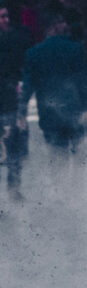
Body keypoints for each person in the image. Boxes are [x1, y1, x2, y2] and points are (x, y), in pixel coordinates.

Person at [18, 9, 87, 161]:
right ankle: (78, 185)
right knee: (79, 157)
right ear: (54, 26)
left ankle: (60, 185)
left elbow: (27, 86)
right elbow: (85, 81)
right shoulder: (75, 48)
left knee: (57, 159)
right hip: (75, 111)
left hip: (49, 115)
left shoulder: (33, 53)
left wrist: (21, 113)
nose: (65, 26)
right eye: (61, 23)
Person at [0, 4, 30, 200]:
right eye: (1, 17)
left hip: (10, 101)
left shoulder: (15, 38)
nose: (5, 20)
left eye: (6, 16)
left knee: (14, 148)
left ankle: (14, 188)